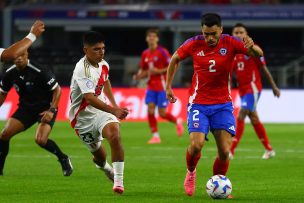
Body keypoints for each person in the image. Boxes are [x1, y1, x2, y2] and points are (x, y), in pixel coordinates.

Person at [165, 13, 263, 197]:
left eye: (213, 34)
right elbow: (175, 59)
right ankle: (191, 171)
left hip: (222, 104)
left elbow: (257, 54)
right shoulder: (194, 43)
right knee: (196, 145)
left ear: (221, 30)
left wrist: (253, 47)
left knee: (225, 151)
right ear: (202, 31)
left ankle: (218, 185)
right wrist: (168, 86)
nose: (209, 38)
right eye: (206, 34)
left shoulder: (231, 42)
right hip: (198, 103)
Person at [69, 31, 128, 194]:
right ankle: (105, 168)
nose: (101, 52)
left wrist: (115, 106)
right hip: (81, 119)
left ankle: (118, 181)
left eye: (103, 48)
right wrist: (114, 110)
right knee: (99, 157)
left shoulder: (103, 64)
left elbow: (106, 81)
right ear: (85, 50)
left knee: (115, 135)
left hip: (101, 111)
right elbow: (89, 98)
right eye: (96, 49)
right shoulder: (83, 69)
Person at [0, 50, 73, 176]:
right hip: (26, 109)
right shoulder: (10, 73)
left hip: (45, 109)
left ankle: (63, 158)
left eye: (22, 55)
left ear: (27, 55)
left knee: (40, 140)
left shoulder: (39, 70)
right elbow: (2, 93)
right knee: (4, 134)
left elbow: (57, 90)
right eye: (16, 56)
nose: (19, 58)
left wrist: (52, 110)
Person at [229, 23, 280, 159]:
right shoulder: (232, 52)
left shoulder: (253, 50)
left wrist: (274, 86)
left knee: (241, 115)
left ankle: (231, 151)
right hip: (242, 91)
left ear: (246, 34)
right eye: (236, 32)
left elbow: (264, 69)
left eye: (241, 32)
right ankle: (269, 149)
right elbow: (229, 73)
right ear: (232, 34)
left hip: (253, 88)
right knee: (254, 118)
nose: (239, 35)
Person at [133, 28, 184, 144]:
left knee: (162, 113)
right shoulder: (145, 53)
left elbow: (173, 66)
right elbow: (145, 70)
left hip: (162, 86)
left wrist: (159, 71)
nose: (151, 38)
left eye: (153, 36)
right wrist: (139, 76)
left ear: (157, 39)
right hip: (150, 86)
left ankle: (177, 121)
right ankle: (156, 136)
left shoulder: (162, 52)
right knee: (150, 109)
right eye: (149, 36)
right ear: (146, 39)